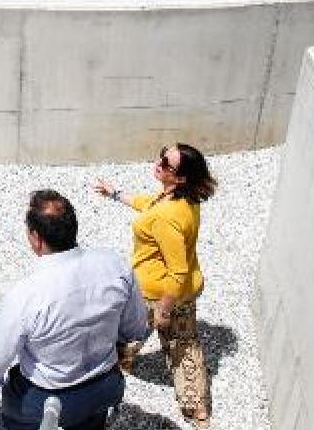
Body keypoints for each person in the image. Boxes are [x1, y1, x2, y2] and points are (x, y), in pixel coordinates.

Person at [0, 190, 150, 430]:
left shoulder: (25, 294)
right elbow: (135, 329)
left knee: (16, 411)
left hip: (48, 399)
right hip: (105, 387)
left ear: (35, 238)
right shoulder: (115, 265)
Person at [93, 143, 217, 427]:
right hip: (185, 291)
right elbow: (149, 204)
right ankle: (197, 407)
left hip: (156, 293)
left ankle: (120, 363)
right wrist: (115, 193)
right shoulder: (184, 200)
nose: (158, 163)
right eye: (162, 155)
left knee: (129, 331)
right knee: (185, 344)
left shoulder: (166, 218)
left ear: (180, 177)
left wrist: (163, 309)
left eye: (165, 163)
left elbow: (177, 270)